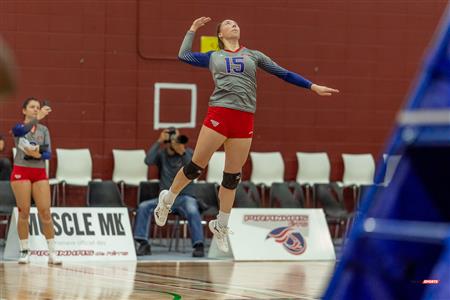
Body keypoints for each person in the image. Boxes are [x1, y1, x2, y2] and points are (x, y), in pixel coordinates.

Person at [154, 17, 339, 253]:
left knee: (232, 178)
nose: (234, 25)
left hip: (244, 118)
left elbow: (283, 73)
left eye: (236, 23)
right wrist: (192, 29)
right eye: (228, 24)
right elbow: (184, 55)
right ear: (220, 34)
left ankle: (220, 225)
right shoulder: (214, 56)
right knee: (195, 167)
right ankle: (167, 200)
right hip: (220, 112)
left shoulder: (254, 55)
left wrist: (312, 86)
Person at [134, 128, 205, 257]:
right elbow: (148, 161)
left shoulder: (188, 153)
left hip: (185, 197)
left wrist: (182, 152)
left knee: (192, 209)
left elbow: (195, 170)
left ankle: (198, 245)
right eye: (172, 139)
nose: (174, 142)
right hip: (165, 200)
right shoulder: (162, 155)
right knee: (144, 206)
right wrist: (159, 141)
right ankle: (143, 244)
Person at [10, 97, 61, 264]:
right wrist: (37, 149)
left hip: (39, 172)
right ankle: (25, 251)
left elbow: (48, 153)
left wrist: (36, 152)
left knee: (45, 212)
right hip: (21, 171)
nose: (35, 109)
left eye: (38, 107)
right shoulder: (19, 128)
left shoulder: (44, 130)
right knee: (24, 212)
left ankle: (52, 252)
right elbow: (19, 134)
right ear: (24, 110)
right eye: (32, 107)